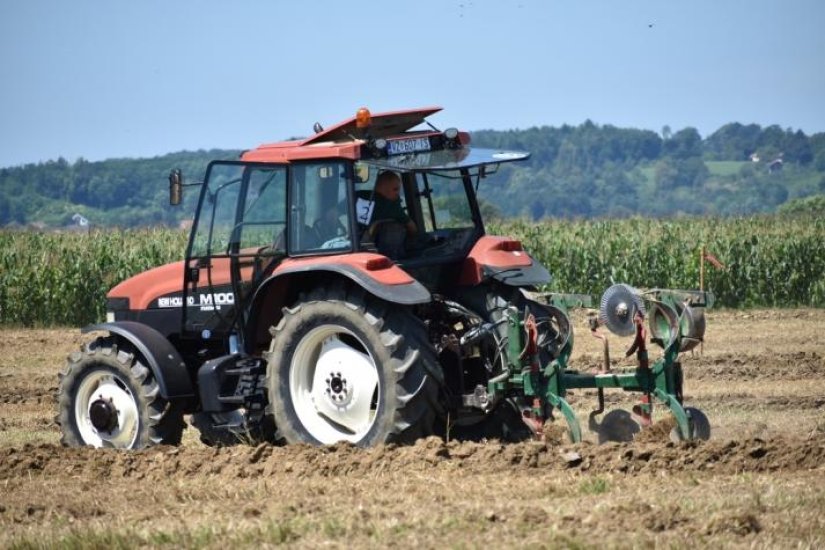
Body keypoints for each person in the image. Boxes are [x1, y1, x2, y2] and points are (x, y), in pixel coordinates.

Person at [357, 170, 417, 257]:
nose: (398, 194)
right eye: (395, 189)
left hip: (355, 246)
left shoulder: (357, 196)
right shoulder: (392, 206)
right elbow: (413, 228)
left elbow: (333, 211)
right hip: (382, 254)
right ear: (383, 187)